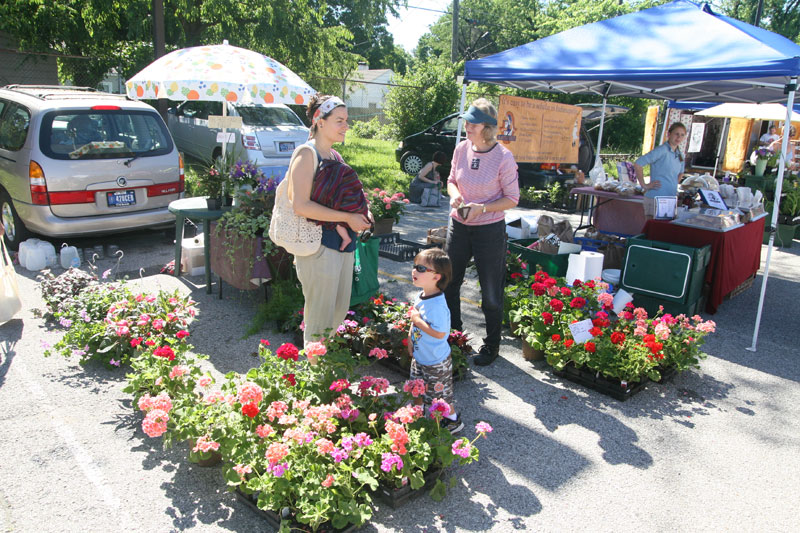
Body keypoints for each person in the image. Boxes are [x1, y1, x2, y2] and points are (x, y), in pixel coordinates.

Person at [289, 94, 372, 344]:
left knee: (337, 312)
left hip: (341, 246)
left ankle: (324, 369)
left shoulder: (335, 157)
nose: (346, 125)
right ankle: (316, 374)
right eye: (339, 120)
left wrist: (363, 212)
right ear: (320, 122)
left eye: (346, 120)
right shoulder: (307, 154)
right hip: (318, 248)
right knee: (319, 319)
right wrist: (348, 217)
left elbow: (344, 196)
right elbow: (300, 205)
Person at [444, 98, 520, 366]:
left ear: (487, 128)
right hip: (459, 225)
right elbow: (452, 180)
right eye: (466, 121)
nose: (466, 126)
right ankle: (455, 338)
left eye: (472, 123)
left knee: (490, 290)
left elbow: (512, 198)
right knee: (449, 283)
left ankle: (491, 345)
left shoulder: (503, 157)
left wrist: (483, 209)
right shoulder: (461, 148)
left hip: (489, 229)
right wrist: (454, 196)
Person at [408, 248, 463, 434]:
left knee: (441, 396)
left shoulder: (437, 305)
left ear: (437, 277)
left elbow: (440, 334)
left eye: (422, 269)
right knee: (416, 389)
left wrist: (416, 320)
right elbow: (414, 322)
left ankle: (454, 421)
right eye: (415, 266)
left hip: (435, 362)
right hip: (420, 357)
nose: (415, 271)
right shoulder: (421, 296)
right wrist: (410, 340)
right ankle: (416, 418)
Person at [634, 122, 687, 219]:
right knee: (653, 231)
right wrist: (644, 185)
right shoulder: (661, 150)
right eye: (676, 134)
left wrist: (672, 184)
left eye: (682, 135)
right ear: (669, 134)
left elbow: (681, 172)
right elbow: (638, 164)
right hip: (655, 198)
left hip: (670, 199)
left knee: (664, 231)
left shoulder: (680, 154)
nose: (679, 137)